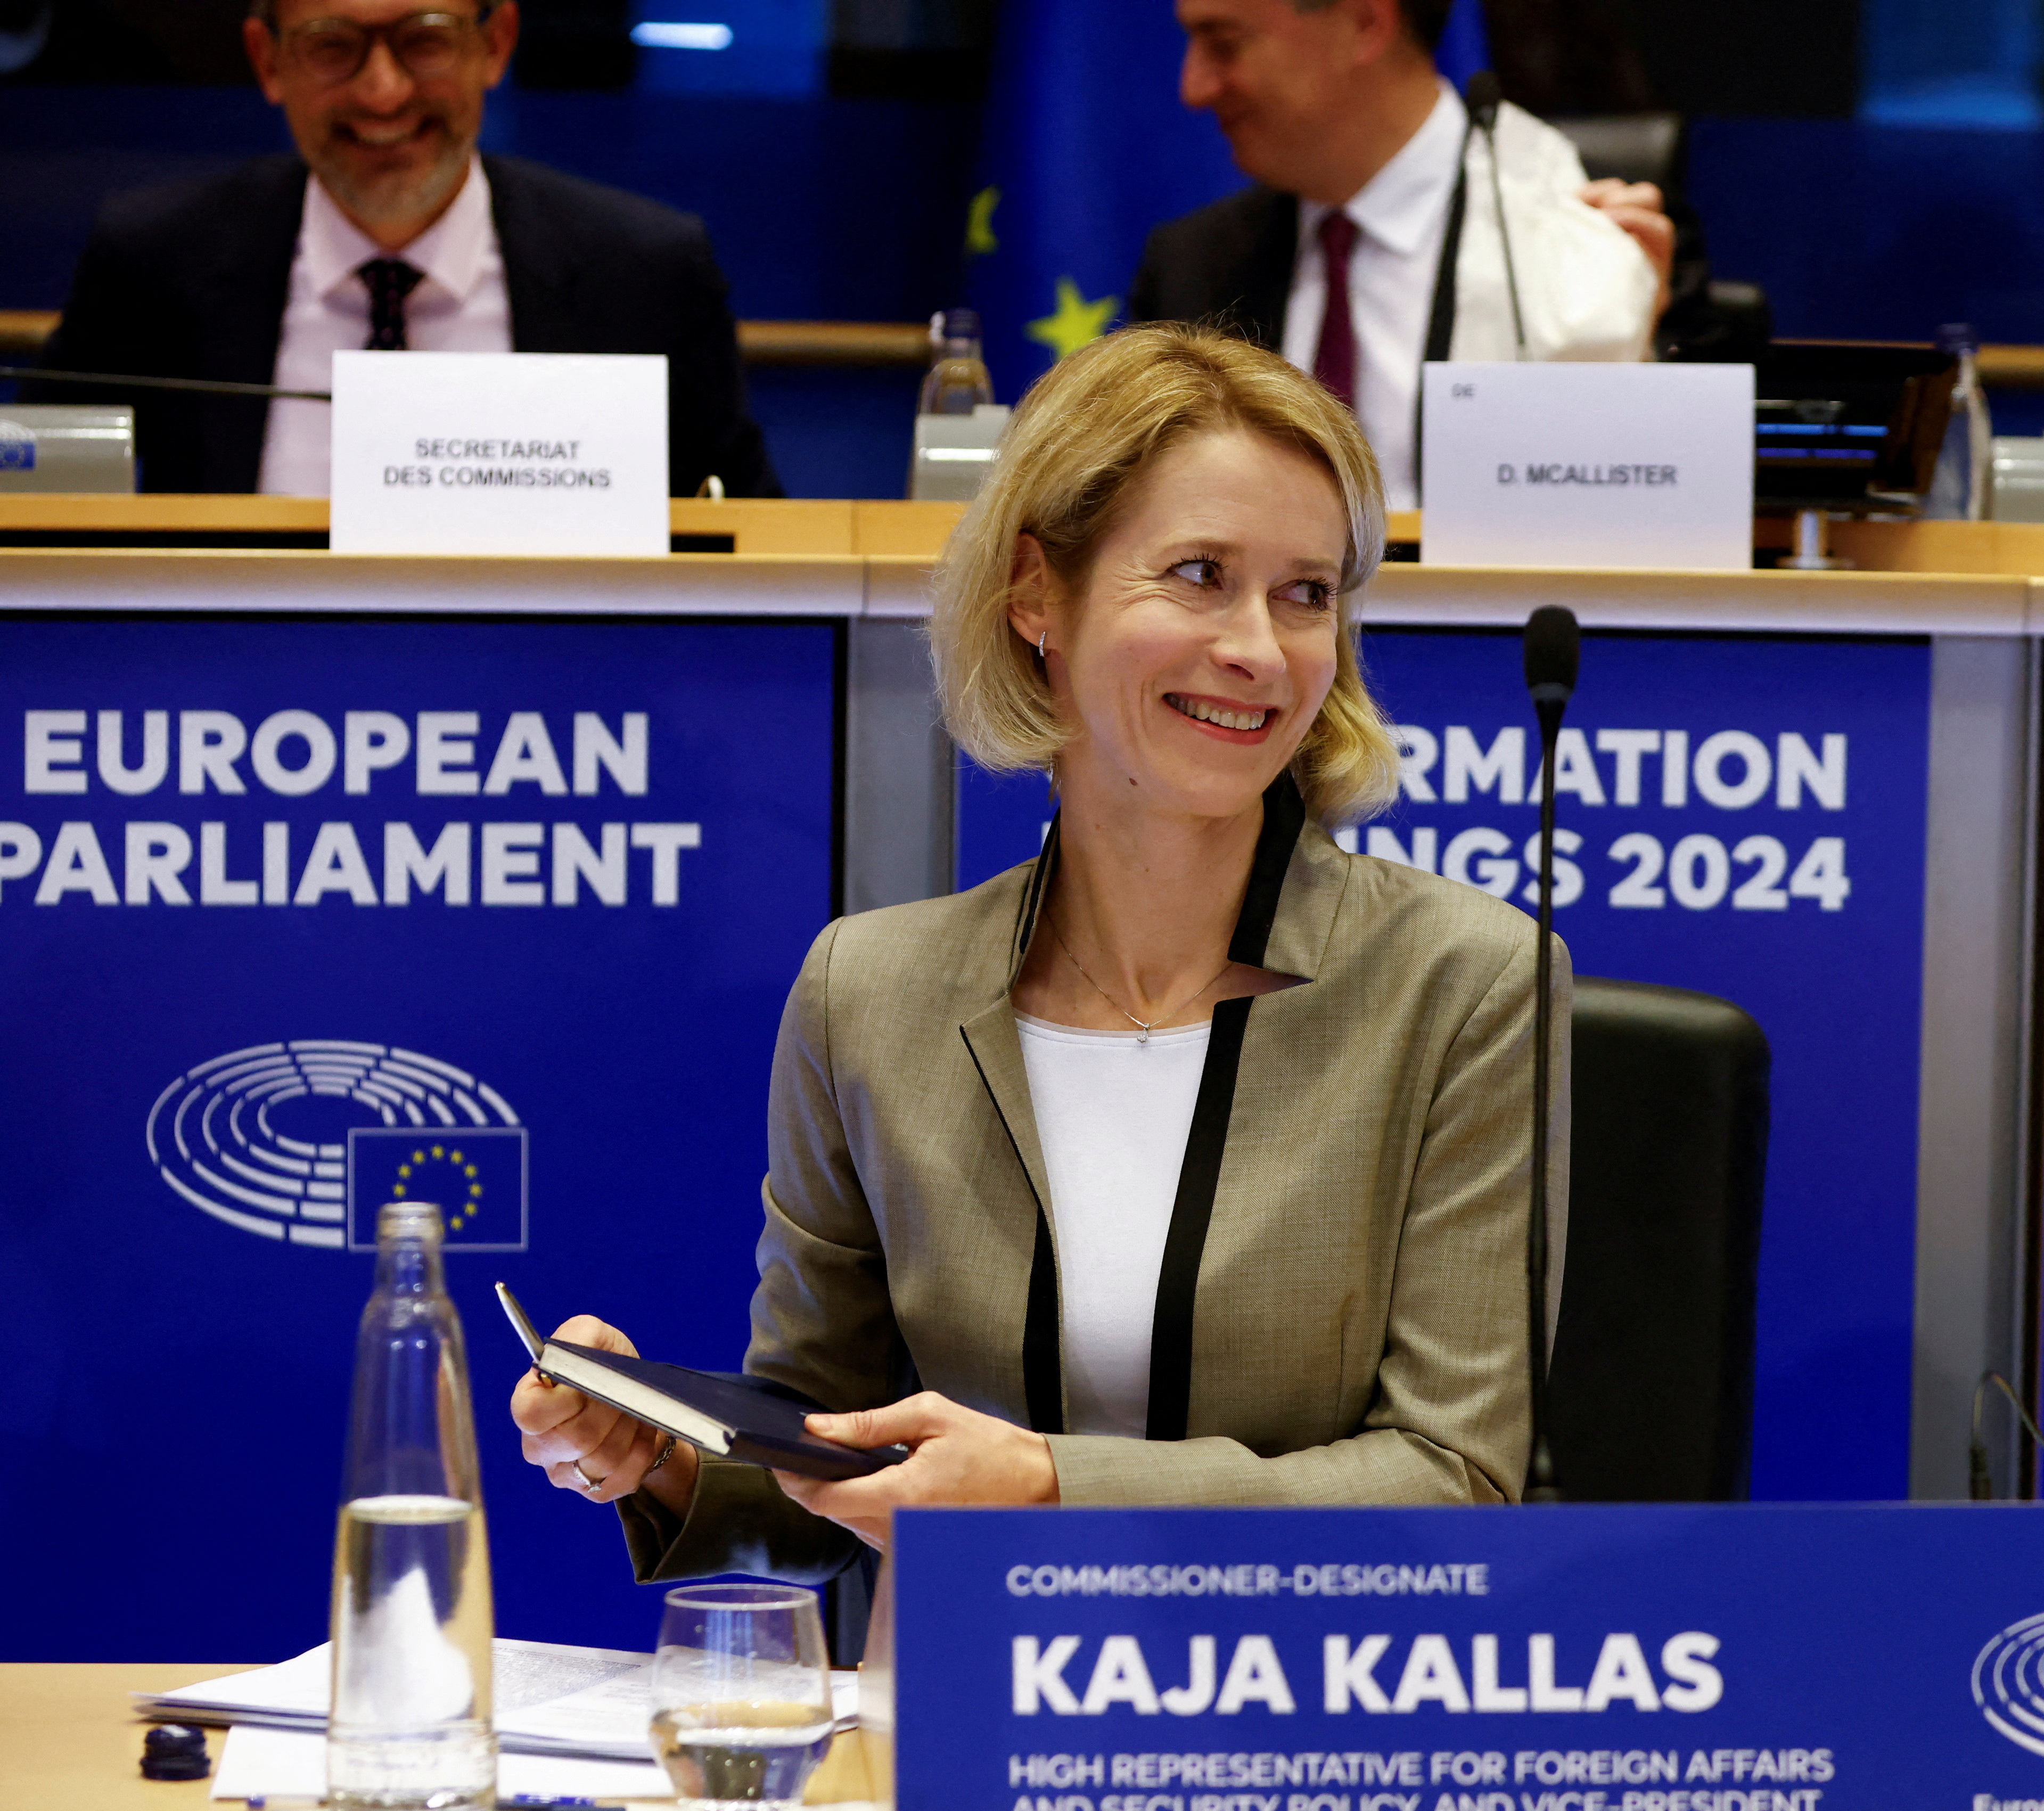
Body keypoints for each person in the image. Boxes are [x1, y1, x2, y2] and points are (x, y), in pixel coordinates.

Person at [512, 323, 1567, 1585]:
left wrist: (1050, 1487)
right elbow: (824, 1472)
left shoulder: (1465, 981)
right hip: (959, 1727)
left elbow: (1452, 1486)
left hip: (1315, 1733)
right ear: (1034, 595)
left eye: (1307, 592)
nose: (1258, 647)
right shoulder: (868, 992)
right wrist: (662, 1455)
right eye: (1195, 573)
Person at [25, 0, 778, 497]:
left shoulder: (644, 272)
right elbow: (30, 513)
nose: (382, 93)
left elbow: (753, 544)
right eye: (333, 47)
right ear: (267, 61)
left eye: (423, 41)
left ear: (496, 44)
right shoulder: (154, 262)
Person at [1130, 0, 1670, 509]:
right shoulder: (1191, 266)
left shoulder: (1610, 247)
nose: (1193, 89)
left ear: (1365, 22)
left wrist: (1633, 349)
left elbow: (1681, 511)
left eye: (1223, 43)